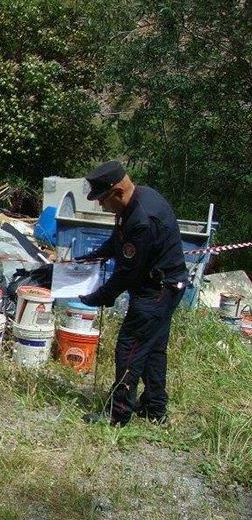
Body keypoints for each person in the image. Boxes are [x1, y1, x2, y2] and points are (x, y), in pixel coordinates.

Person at [76, 160, 188, 426]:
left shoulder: (143, 219)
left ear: (116, 191)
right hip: (163, 286)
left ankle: (118, 414)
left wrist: (98, 297)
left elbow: (127, 273)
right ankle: (154, 408)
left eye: (102, 199)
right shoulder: (136, 201)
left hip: (157, 290)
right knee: (153, 349)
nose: (100, 205)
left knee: (130, 348)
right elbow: (118, 240)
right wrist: (94, 255)